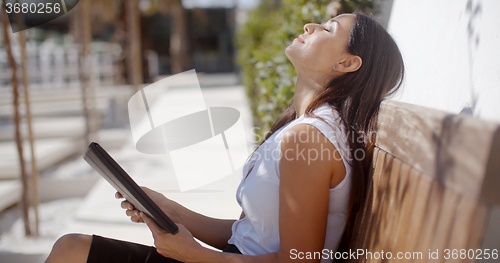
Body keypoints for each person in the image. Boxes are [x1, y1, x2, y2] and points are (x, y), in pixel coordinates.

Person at [45, 11, 404, 263]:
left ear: (347, 63)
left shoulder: (308, 139)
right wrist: (171, 210)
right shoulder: (305, 126)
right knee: (72, 249)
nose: (311, 25)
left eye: (328, 29)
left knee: (72, 252)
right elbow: (250, 235)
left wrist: (196, 256)